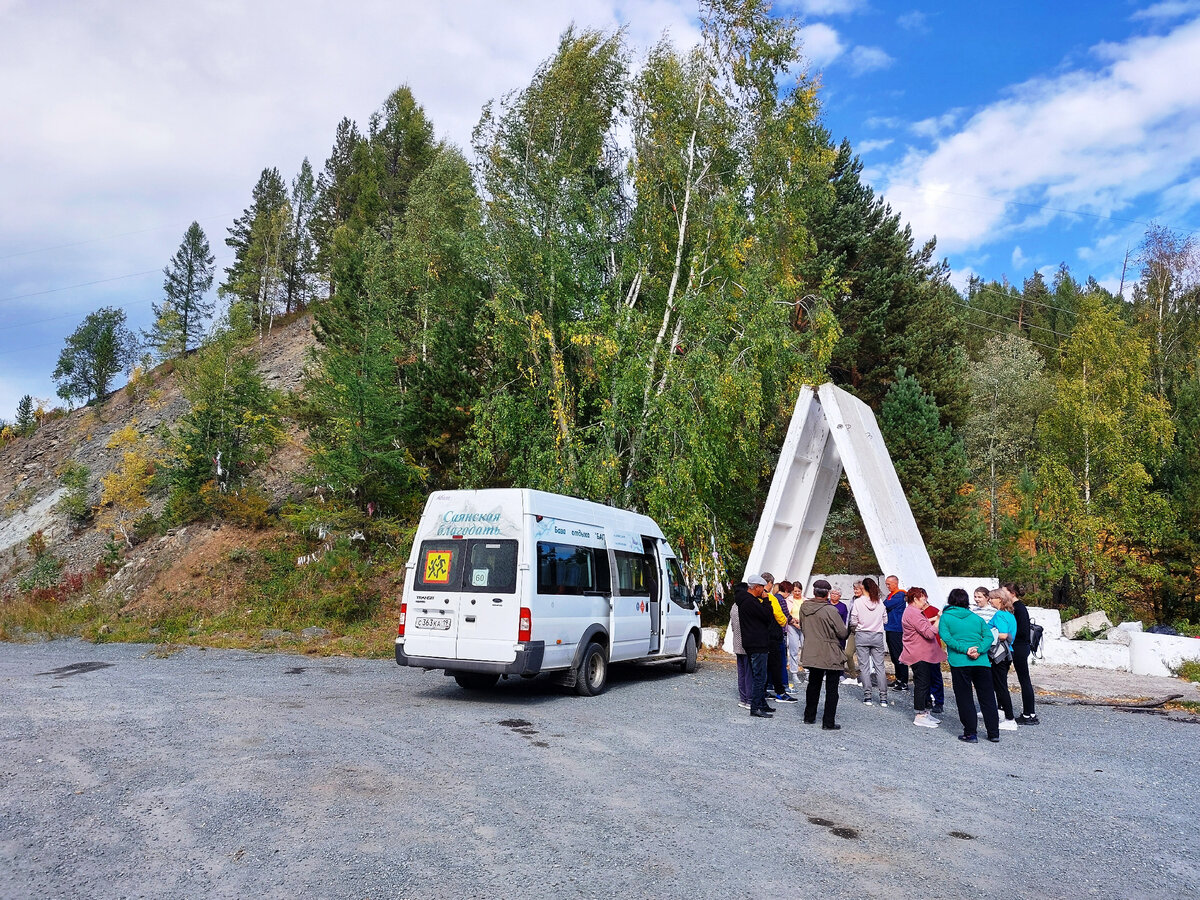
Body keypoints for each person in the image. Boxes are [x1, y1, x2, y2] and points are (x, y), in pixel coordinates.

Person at [939, 588, 1001, 743]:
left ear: (951, 601)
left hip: (959, 662)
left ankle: (970, 733)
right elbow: (988, 637)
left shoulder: (946, 617)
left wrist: (965, 649)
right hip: (981, 662)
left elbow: (946, 637)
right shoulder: (976, 617)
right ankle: (993, 732)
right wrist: (979, 650)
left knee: (964, 697)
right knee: (987, 697)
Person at [799, 579, 849, 729]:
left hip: (812, 649)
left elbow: (803, 626)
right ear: (827, 594)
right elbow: (842, 632)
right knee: (832, 688)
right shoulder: (831, 610)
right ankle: (828, 722)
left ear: (814, 592)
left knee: (813, 684)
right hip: (829, 651)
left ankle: (809, 716)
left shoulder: (804, 607)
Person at [900, 587, 947, 728]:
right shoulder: (912, 613)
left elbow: (924, 624)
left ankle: (925, 712)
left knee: (926, 682)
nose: (925, 601)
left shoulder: (914, 612)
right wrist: (938, 619)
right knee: (922, 684)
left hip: (923, 653)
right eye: (923, 598)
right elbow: (929, 633)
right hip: (918, 653)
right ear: (915, 599)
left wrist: (933, 618)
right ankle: (920, 714)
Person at [736, 576, 776, 718]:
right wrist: (766, 600)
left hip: (754, 642)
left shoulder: (746, 601)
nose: (763, 591)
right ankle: (756, 707)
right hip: (757, 643)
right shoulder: (750, 602)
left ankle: (761, 703)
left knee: (759, 675)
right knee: (759, 676)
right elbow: (767, 616)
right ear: (756, 587)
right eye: (762, 588)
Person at [1005, 582, 1039, 725]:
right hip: (1019, 646)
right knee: (1023, 680)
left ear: (1012, 593)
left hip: (1019, 647)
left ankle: (1029, 714)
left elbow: (1022, 631)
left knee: (1024, 680)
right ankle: (1028, 713)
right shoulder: (1016, 608)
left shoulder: (1019, 608)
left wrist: (1007, 635)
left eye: (1004, 592)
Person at [850, 578, 887, 706]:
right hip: (877, 635)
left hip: (862, 635)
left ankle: (868, 697)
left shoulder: (858, 602)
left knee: (864, 667)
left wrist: (858, 626)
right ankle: (883, 698)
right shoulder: (880, 602)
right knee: (880, 667)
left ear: (863, 588)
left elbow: (853, 620)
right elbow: (885, 620)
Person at [762, 573, 798, 703]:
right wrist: (784, 624)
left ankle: (763, 690)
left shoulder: (754, 597)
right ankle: (780, 692)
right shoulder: (771, 598)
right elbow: (781, 617)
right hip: (774, 635)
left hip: (761, 635)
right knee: (776, 664)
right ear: (770, 583)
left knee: (764, 666)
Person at [988, 588, 1020, 731]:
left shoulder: (1000, 615)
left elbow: (1002, 635)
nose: (990, 601)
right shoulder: (1010, 615)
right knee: (1000, 684)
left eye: (992, 598)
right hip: (1008, 653)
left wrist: (987, 635)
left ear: (999, 599)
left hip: (1000, 654)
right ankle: (1003, 713)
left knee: (1000, 686)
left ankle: (1009, 718)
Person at [920, 595, 946, 714]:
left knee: (935, 675)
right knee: (923, 675)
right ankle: (927, 699)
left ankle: (939, 701)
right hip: (920, 647)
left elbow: (940, 626)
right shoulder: (915, 612)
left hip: (933, 647)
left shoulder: (934, 610)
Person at [728, 584, 752, 710]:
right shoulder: (746, 606)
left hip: (737, 643)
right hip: (747, 644)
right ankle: (749, 699)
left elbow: (732, 626)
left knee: (741, 672)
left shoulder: (734, 607)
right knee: (749, 673)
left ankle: (743, 698)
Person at [883, 575, 909, 690]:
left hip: (897, 629)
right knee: (893, 656)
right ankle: (898, 679)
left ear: (895, 583)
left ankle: (903, 681)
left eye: (889, 584)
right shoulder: (890, 595)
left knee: (899, 655)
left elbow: (885, 605)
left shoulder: (900, 595)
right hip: (890, 628)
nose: (887, 586)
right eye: (886, 584)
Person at [834, 586, 859, 681]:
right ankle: (853, 676)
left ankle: (844, 673)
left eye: (857, 589)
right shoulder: (853, 600)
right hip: (851, 630)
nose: (855, 590)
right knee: (847, 653)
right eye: (854, 589)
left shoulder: (842, 606)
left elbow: (845, 619)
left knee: (846, 652)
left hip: (861, 630)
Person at [786, 581, 806, 691]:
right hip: (792, 626)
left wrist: (801, 623)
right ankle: (794, 673)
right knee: (793, 650)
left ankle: (807, 671)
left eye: (799, 591)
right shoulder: (788, 600)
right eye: (795, 591)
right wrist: (794, 622)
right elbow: (787, 613)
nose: (797, 593)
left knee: (806, 649)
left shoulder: (805, 600)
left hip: (804, 626)